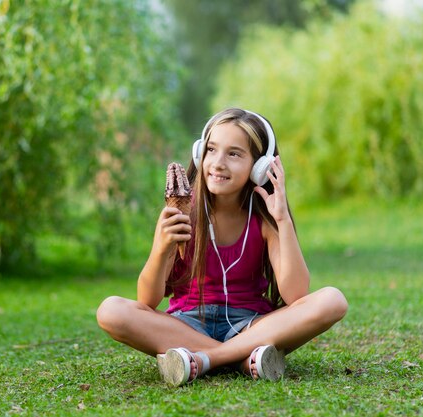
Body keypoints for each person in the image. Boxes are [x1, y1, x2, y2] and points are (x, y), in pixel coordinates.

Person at [97, 107, 348, 386]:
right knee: (111, 310)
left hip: (250, 324)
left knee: (332, 300)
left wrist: (282, 219)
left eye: (234, 154)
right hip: (186, 323)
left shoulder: (264, 219)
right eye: (212, 150)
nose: (218, 163)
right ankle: (243, 359)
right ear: (199, 154)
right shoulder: (184, 214)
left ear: (260, 167)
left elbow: (296, 294)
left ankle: (202, 360)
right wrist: (161, 248)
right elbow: (147, 300)